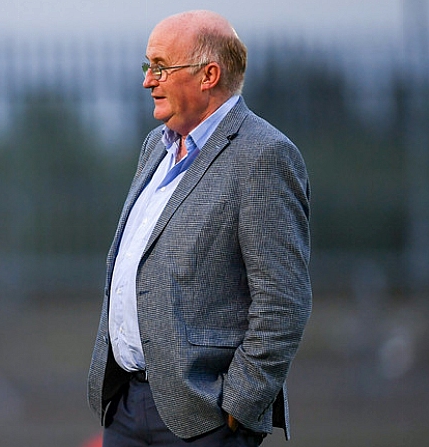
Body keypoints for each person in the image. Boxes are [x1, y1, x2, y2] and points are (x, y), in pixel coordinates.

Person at [87, 10, 312, 447]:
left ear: (209, 75)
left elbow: (283, 302)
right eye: (146, 66)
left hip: (204, 419)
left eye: (160, 67)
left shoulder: (264, 155)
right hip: (126, 407)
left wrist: (237, 406)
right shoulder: (157, 145)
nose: (147, 81)